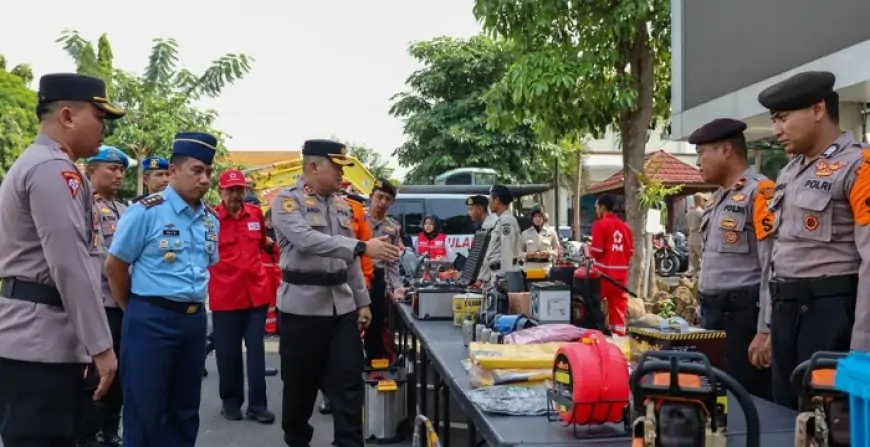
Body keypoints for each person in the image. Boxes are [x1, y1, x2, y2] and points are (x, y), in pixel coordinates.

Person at [0, 73, 122, 447]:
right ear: (67, 117)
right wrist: (102, 347)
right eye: (99, 117)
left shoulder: (48, 165)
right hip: (40, 346)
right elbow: (70, 267)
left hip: (41, 340)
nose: (104, 129)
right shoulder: (53, 170)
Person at [270, 139, 400, 447]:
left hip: (341, 309)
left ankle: (349, 442)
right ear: (313, 167)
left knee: (349, 384)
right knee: (300, 388)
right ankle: (297, 439)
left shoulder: (344, 206)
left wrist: (362, 302)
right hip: (301, 309)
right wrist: (360, 246)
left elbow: (350, 260)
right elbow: (306, 240)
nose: (342, 175)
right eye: (337, 168)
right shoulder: (286, 202)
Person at [755, 70, 870, 409]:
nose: (776, 131)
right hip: (787, 310)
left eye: (783, 118)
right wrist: (768, 324)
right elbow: (776, 254)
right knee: (788, 413)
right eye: (774, 120)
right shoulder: (790, 171)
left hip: (832, 312)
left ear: (818, 109)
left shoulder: (858, 166)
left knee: (827, 418)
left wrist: (863, 348)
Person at [106, 131, 220, 446]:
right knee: (145, 408)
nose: (205, 179)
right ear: (172, 172)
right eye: (197, 171)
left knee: (184, 410)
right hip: (151, 318)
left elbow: (206, 265)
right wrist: (134, 309)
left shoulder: (211, 219)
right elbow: (115, 266)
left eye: (208, 172)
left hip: (194, 320)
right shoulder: (147, 211)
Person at [689, 118, 773, 401]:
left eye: (702, 153)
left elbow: (771, 267)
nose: (698, 161)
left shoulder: (760, 192)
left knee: (746, 403)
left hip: (743, 319)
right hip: (713, 317)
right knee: (715, 401)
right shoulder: (716, 200)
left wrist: (765, 330)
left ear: (726, 150)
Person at [209, 169, 276, 424]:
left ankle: (258, 405)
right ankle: (231, 401)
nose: (237, 195)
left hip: (256, 294)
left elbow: (261, 244)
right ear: (222, 192)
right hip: (226, 295)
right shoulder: (211, 220)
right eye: (231, 190)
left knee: (257, 350)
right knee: (228, 352)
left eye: (241, 190)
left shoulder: (256, 215)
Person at [81, 145, 131, 447]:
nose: (118, 174)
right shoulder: (83, 206)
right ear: (91, 170)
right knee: (96, 377)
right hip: (98, 305)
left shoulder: (125, 210)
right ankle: (89, 434)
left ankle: (111, 431)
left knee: (121, 376)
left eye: (121, 169)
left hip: (123, 305)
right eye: (111, 168)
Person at [320, 186, 375, 415]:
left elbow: (361, 254)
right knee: (321, 358)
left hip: (353, 288)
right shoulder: (297, 205)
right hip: (319, 296)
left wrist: (364, 295)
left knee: (349, 360)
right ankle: (328, 396)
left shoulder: (351, 211)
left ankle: (348, 416)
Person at [367, 179, 403, 360]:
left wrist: (396, 287)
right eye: (379, 197)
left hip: (377, 280)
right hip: (355, 278)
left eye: (387, 199)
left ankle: (374, 361)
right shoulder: (357, 220)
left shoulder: (393, 227)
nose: (382, 202)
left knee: (376, 323)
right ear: (370, 196)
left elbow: (393, 261)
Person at [588, 194, 634, 336]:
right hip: (620, 278)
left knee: (591, 304)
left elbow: (596, 251)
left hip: (603, 276)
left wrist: (588, 248)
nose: (596, 210)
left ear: (602, 207)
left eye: (597, 207)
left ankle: (595, 334)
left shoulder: (600, 225)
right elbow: (630, 252)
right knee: (618, 312)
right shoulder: (626, 228)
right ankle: (619, 341)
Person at [481, 185, 522, 285]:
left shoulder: (507, 221)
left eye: (490, 199)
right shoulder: (500, 220)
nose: (489, 203)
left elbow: (508, 251)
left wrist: (503, 280)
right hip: (495, 275)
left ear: (497, 200)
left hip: (502, 277)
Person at [685, 193, 705, 276]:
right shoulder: (702, 213)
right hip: (700, 237)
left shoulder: (688, 213)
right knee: (704, 259)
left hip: (691, 237)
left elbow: (686, 228)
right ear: (701, 201)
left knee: (694, 264)